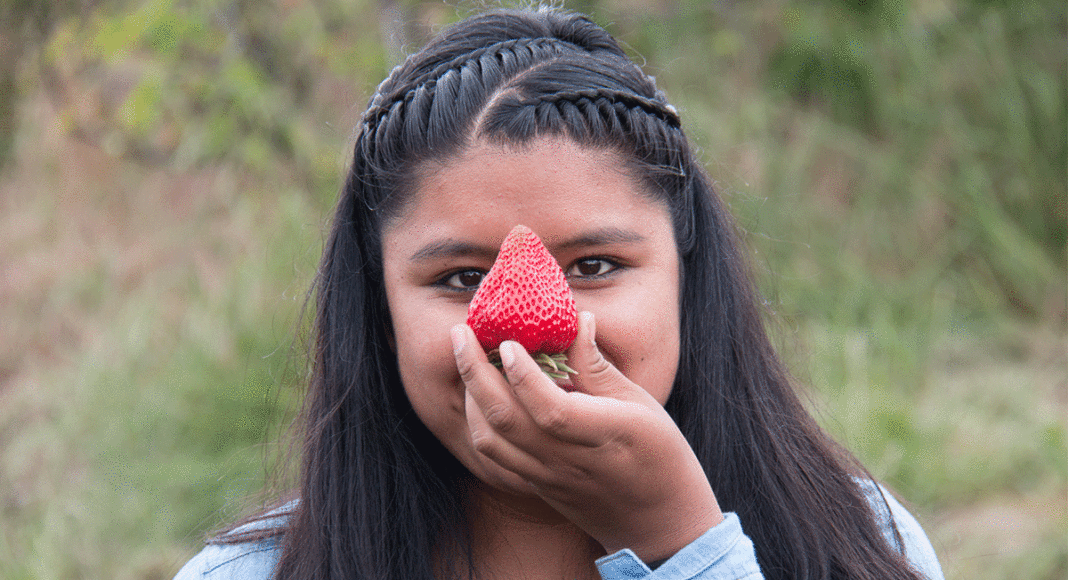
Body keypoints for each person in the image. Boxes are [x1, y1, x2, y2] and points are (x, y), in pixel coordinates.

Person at [173, 7, 945, 580]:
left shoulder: (858, 540)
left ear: (686, 275)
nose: (527, 330)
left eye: (595, 266)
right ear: (378, 310)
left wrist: (679, 543)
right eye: (462, 279)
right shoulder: (250, 573)